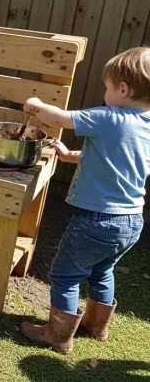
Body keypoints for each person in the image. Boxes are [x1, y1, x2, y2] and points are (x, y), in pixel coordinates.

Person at [19, 46, 150, 355]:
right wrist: (70, 155)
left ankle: (57, 335)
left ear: (122, 89)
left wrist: (36, 104)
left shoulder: (111, 117)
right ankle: (97, 326)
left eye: (107, 87)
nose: (105, 93)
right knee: (102, 272)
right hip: (131, 221)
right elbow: (118, 160)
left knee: (65, 275)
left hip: (96, 221)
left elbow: (59, 118)